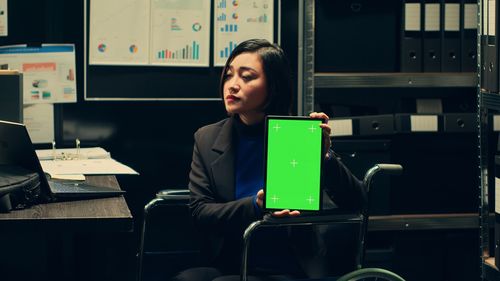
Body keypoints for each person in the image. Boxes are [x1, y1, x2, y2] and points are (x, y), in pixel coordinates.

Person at [173, 39, 366, 281]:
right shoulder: (207, 137)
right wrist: (255, 205)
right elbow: (201, 213)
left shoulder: (295, 135)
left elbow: (357, 200)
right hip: (232, 259)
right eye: (229, 75)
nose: (232, 85)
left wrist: (324, 158)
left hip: (288, 264)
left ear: (272, 86)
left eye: (247, 77)